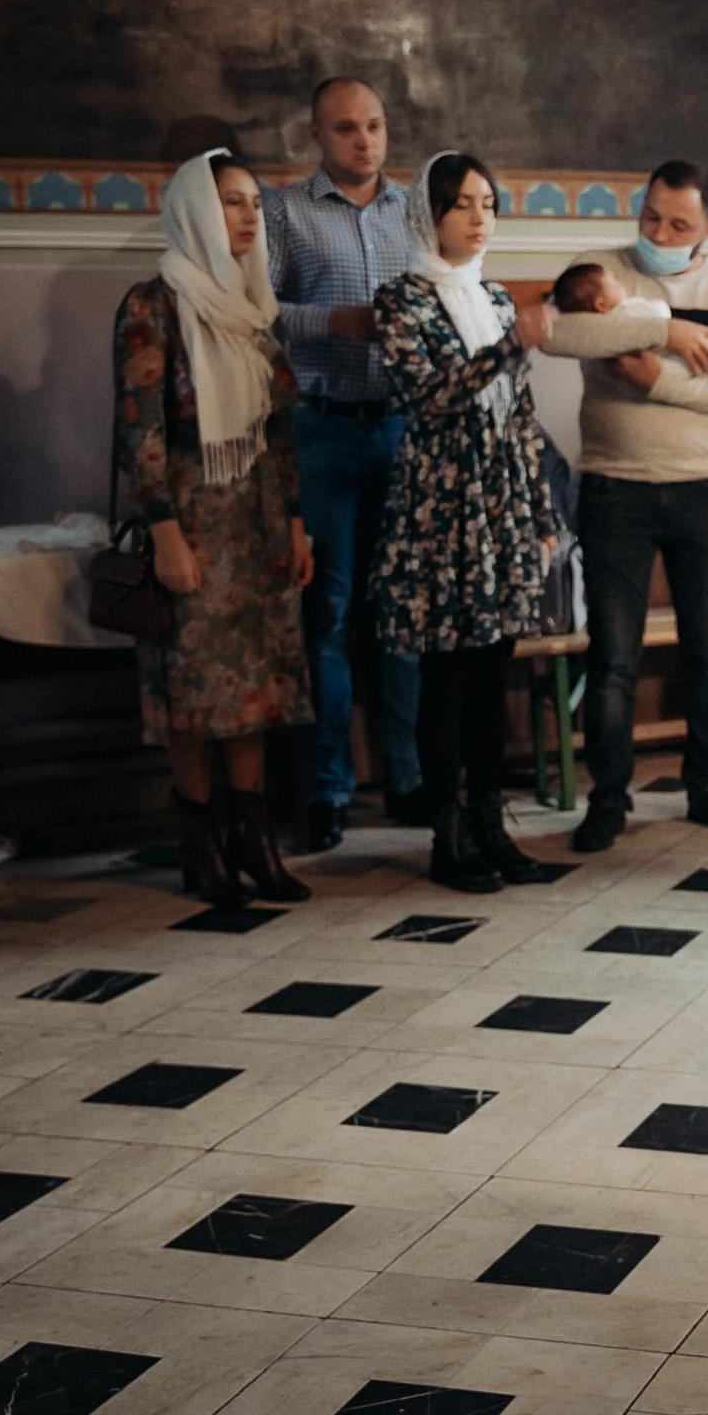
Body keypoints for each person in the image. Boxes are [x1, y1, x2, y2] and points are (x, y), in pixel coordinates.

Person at [540, 160, 708, 853]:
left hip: (705, 488)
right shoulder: (597, 272)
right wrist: (671, 334)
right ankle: (608, 798)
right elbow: (562, 336)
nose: (658, 232)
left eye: (677, 224)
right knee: (613, 657)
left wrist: (656, 380)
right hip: (616, 487)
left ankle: (707, 786)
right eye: (649, 216)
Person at [112, 150, 314, 907]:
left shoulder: (256, 306)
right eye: (232, 202)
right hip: (194, 519)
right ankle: (201, 847)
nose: (248, 216)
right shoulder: (153, 306)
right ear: (195, 208)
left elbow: (282, 429)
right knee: (195, 689)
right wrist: (163, 532)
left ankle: (253, 841)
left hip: (258, 518)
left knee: (255, 687)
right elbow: (141, 430)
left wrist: (297, 525)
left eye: (255, 204)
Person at [367, 153, 558, 893]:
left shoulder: (500, 300)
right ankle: (448, 840)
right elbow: (429, 399)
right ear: (430, 216)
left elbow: (523, 415)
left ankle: (490, 827)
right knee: (447, 679)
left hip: (503, 504)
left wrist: (542, 513)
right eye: (462, 206)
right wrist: (510, 345)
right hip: (443, 509)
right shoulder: (401, 301)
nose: (479, 220)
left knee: (492, 680)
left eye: (487, 204)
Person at [264, 77, 423, 854]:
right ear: (317, 137)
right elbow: (256, 310)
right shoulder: (285, 213)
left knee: (401, 614)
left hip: (402, 428)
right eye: (346, 130)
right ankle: (328, 790)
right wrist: (336, 320)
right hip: (322, 430)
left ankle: (410, 777)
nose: (364, 141)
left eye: (374, 127)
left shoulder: (414, 212)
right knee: (324, 616)